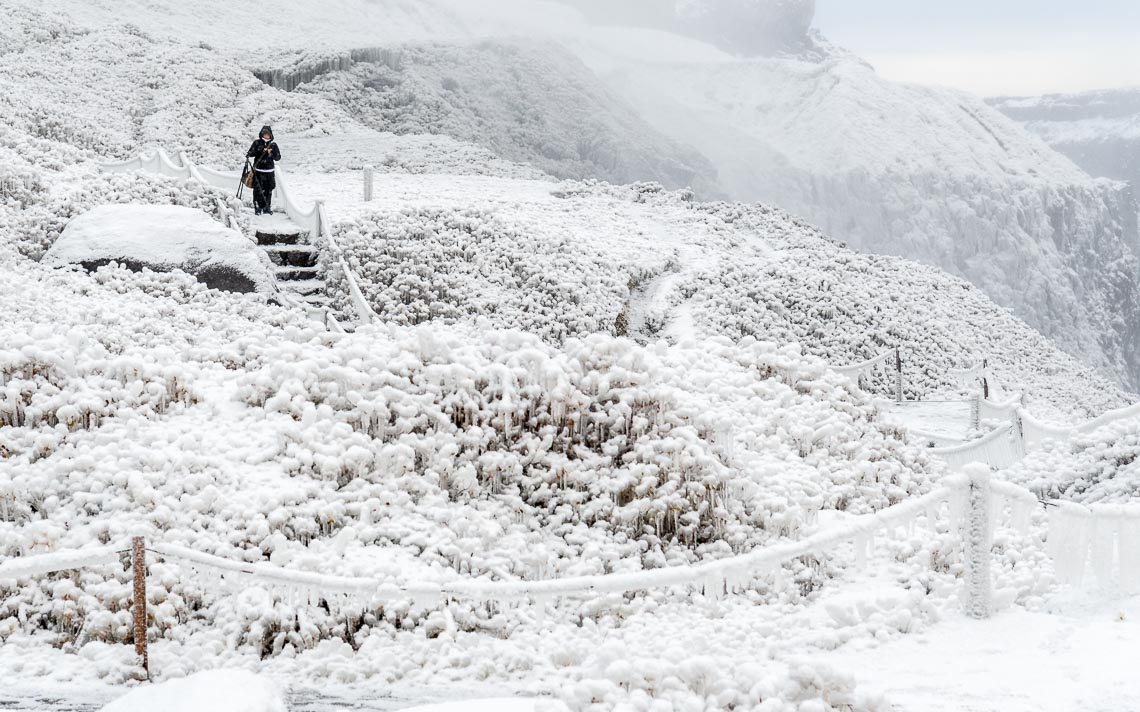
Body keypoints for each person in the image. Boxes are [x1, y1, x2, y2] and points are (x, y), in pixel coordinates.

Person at [246, 126, 281, 215]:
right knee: (258, 190)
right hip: (258, 171)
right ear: (262, 134)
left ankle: (266, 207)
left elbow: (278, 157)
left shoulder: (273, 145)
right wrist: (260, 150)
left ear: (270, 135)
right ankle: (257, 207)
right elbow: (250, 153)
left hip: (269, 171)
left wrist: (271, 153)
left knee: (268, 190)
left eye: (268, 134)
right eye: (264, 134)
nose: (266, 136)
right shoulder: (257, 143)